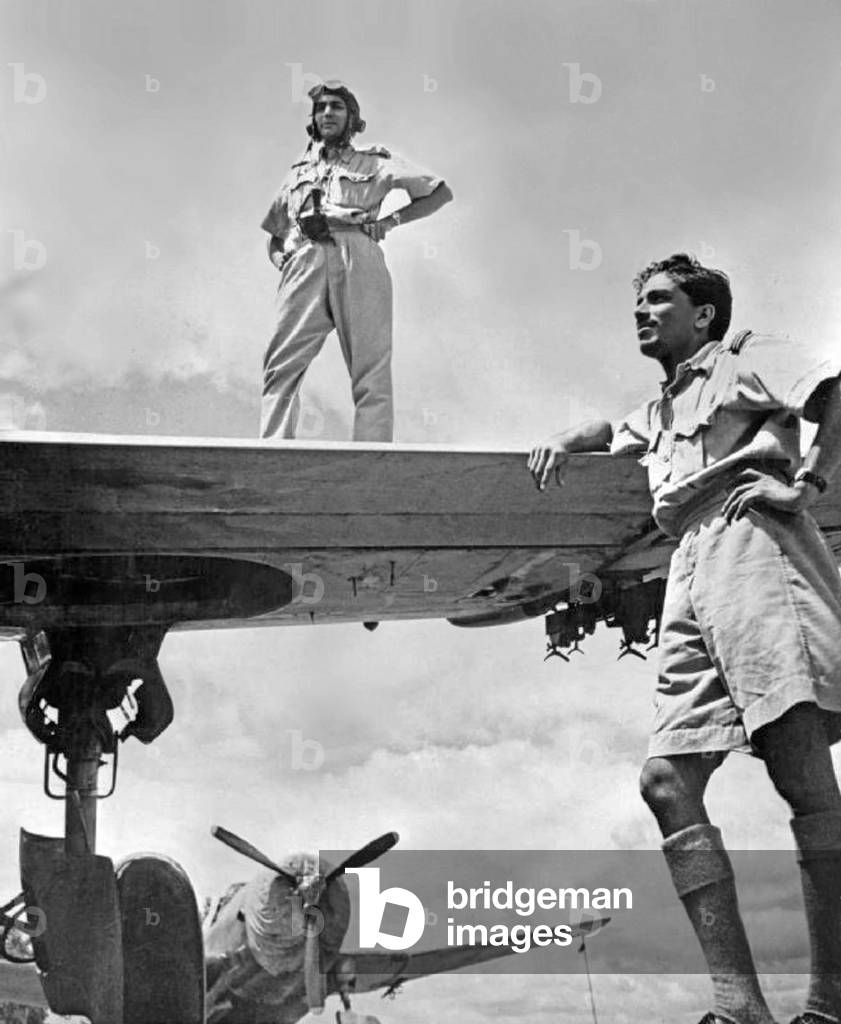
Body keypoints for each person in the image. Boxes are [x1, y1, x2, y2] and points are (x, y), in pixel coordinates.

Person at [528, 253, 841, 1024]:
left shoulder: (745, 359)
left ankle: (830, 1003)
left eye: (658, 300)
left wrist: (812, 484)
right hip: (687, 567)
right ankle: (739, 1009)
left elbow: (831, 390)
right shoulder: (662, 407)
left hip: (756, 546)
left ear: (702, 314)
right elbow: (617, 430)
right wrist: (572, 436)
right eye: (637, 302)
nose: (641, 312)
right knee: (665, 781)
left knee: (796, 763)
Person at [260, 81, 452, 442]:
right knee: (281, 363)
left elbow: (439, 192)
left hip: (357, 251)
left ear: (351, 119)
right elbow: (273, 233)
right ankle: (272, 448)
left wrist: (390, 221)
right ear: (313, 120)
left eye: (336, 107)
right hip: (304, 258)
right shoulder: (297, 173)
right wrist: (283, 258)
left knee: (371, 366)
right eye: (321, 108)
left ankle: (371, 454)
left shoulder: (375, 161)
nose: (327, 113)